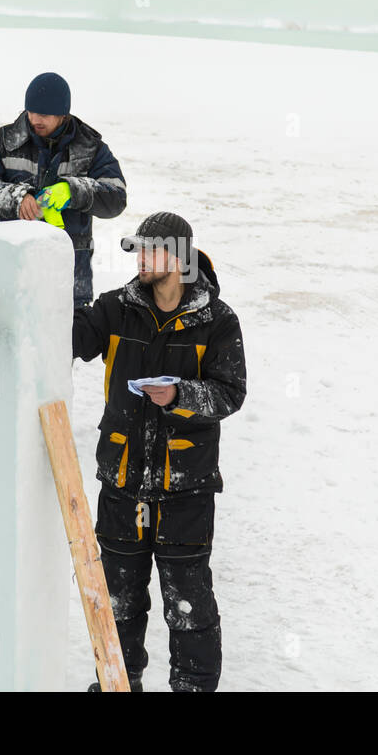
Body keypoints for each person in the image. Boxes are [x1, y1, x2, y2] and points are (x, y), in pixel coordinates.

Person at [72, 211, 246, 691]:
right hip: (123, 483)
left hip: (185, 489)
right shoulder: (116, 309)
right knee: (119, 601)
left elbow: (230, 392)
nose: (140, 259)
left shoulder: (217, 320)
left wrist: (180, 396)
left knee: (188, 604)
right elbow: (67, 334)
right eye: (138, 250)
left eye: (150, 250)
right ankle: (116, 684)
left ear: (179, 258)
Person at [0, 72, 127, 306]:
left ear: (63, 113)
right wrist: (18, 198)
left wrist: (73, 191)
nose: (35, 119)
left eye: (44, 114)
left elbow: (117, 197)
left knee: (69, 341)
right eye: (31, 111)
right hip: (7, 277)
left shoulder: (90, 148)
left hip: (68, 282)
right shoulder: (0, 142)